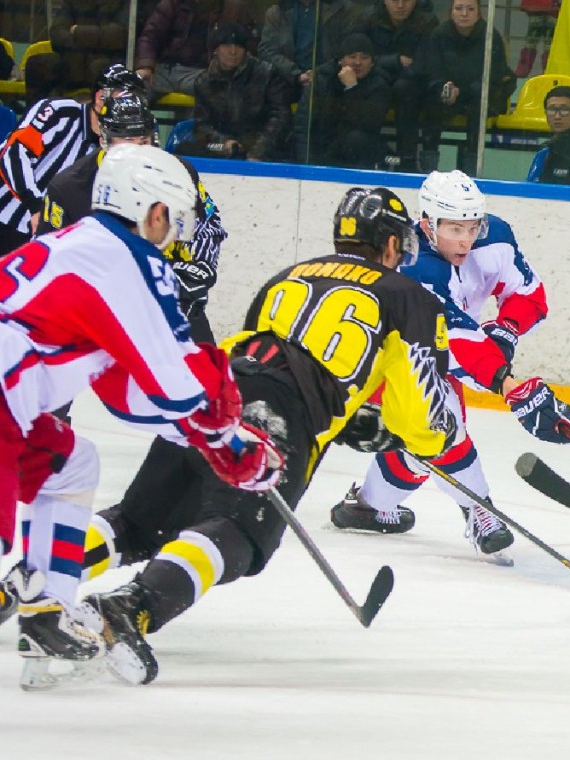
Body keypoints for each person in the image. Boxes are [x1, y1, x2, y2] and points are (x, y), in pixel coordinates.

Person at [78, 187, 463, 685]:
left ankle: (29, 585)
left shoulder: (290, 275)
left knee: (137, 521)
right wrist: (428, 437)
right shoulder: (409, 298)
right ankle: (130, 608)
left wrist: (345, 419)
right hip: (279, 412)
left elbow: (272, 351)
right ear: (390, 243)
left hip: (214, 387)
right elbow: (420, 417)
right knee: (237, 530)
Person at [0, 144, 279, 689]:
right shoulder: (131, 259)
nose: (173, 233)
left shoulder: (82, 246)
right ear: (152, 211)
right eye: (172, 219)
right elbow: (175, 384)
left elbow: (124, 389)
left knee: (70, 464)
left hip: (15, 402)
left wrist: (210, 439)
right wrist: (231, 444)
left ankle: (46, 610)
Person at [330, 171, 570, 561]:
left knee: (420, 451)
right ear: (427, 224)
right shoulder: (414, 266)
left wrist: (507, 329)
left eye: (472, 227)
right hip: (392, 359)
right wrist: (507, 384)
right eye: (455, 229)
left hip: (448, 357)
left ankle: (367, 507)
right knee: (439, 425)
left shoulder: (495, 236)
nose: (466, 239)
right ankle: (480, 509)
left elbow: (528, 294)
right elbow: (456, 340)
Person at [38, 93, 227, 344]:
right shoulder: (69, 187)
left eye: (145, 140)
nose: (138, 150)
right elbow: (46, 262)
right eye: (126, 141)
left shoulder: (178, 173)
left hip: (172, 297)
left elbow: (207, 226)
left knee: (208, 378)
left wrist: (198, 270)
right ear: (105, 139)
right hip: (101, 314)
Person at [0, 63, 144, 255]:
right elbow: (14, 153)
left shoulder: (127, 143)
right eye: (125, 100)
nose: (131, 109)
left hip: (49, 242)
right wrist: (35, 206)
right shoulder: (58, 113)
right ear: (100, 98)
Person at [412, 0, 517, 175]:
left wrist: (464, 91)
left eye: (470, 8)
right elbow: (432, 69)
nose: (464, 13)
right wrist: (444, 87)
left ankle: (471, 166)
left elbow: (494, 74)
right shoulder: (438, 35)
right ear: (451, 11)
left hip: (478, 95)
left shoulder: (491, 36)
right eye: (459, 8)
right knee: (430, 100)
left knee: (479, 95)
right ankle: (428, 165)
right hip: (446, 93)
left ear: (479, 12)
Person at [134, 0, 259, 99]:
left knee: (219, 94)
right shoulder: (173, 1)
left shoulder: (235, 8)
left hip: (206, 73)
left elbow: (250, 45)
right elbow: (150, 36)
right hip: (167, 70)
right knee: (135, 89)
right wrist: (145, 66)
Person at [30, 0, 132, 98]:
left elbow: (120, 35)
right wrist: (91, 40)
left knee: (102, 68)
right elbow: (57, 33)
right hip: (75, 62)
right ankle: (41, 116)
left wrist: (77, 32)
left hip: (111, 61)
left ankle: (101, 120)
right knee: (40, 63)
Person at [356, 0, 438, 171]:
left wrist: (398, 69)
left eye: (406, 0)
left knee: (405, 90)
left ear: (415, 0)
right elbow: (357, 54)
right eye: (394, 0)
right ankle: (371, 157)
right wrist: (396, 61)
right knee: (375, 89)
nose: (400, 5)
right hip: (376, 80)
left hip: (411, 85)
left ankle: (407, 160)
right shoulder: (368, 19)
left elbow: (425, 63)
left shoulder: (427, 22)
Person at [179, 22, 292, 163]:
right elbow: (202, 126)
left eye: (238, 46)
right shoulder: (204, 82)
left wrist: (258, 151)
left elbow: (280, 117)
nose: (233, 51)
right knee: (184, 150)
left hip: (262, 147)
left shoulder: (267, 74)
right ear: (216, 50)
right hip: (225, 146)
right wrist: (224, 142)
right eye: (227, 46)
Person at [259, 0, 357, 99]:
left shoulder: (343, 10)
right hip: (287, 83)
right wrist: (296, 75)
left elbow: (350, 47)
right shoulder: (277, 12)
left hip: (331, 83)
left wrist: (321, 74)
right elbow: (267, 51)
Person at [294, 33, 392, 169]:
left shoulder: (379, 85)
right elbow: (303, 123)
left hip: (359, 152)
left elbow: (368, 123)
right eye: (352, 57)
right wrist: (305, 163)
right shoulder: (322, 80)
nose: (358, 63)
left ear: (372, 63)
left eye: (364, 58)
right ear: (341, 60)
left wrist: (352, 88)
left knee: (356, 138)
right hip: (323, 149)